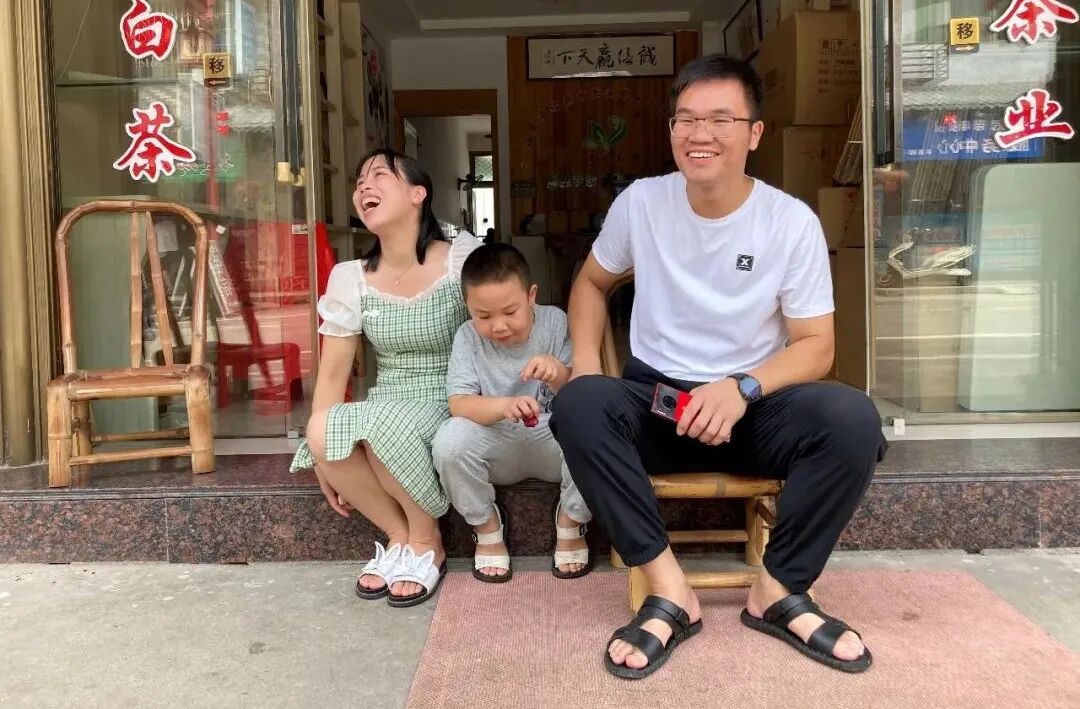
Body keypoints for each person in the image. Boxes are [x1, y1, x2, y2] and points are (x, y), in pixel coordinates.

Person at [550, 54, 886, 679]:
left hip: (754, 410)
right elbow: (591, 282)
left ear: (754, 133)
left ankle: (779, 590)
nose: (699, 134)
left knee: (853, 419)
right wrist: (588, 366)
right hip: (659, 406)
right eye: (686, 119)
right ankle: (668, 590)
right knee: (579, 403)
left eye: (720, 119)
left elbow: (817, 345)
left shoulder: (790, 222)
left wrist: (741, 387)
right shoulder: (641, 204)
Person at [291, 148, 479, 608]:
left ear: (418, 194)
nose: (363, 187)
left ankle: (427, 541)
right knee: (323, 428)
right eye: (359, 181)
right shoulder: (350, 277)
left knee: (380, 425)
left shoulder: (460, 259)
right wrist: (322, 455)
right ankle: (398, 537)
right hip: (390, 398)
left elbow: (495, 336)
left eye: (379, 175)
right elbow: (333, 375)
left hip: (449, 397)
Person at [432, 243, 592, 583]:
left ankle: (572, 519)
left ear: (531, 296)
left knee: (596, 432)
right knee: (448, 441)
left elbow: (579, 392)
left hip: (550, 436)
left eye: (510, 312)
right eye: (484, 316)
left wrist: (556, 371)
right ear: (467, 307)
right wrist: (502, 406)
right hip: (496, 441)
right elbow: (459, 403)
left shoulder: (555, 322)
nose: (499, 326)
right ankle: (486, 526)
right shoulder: (467, 337)